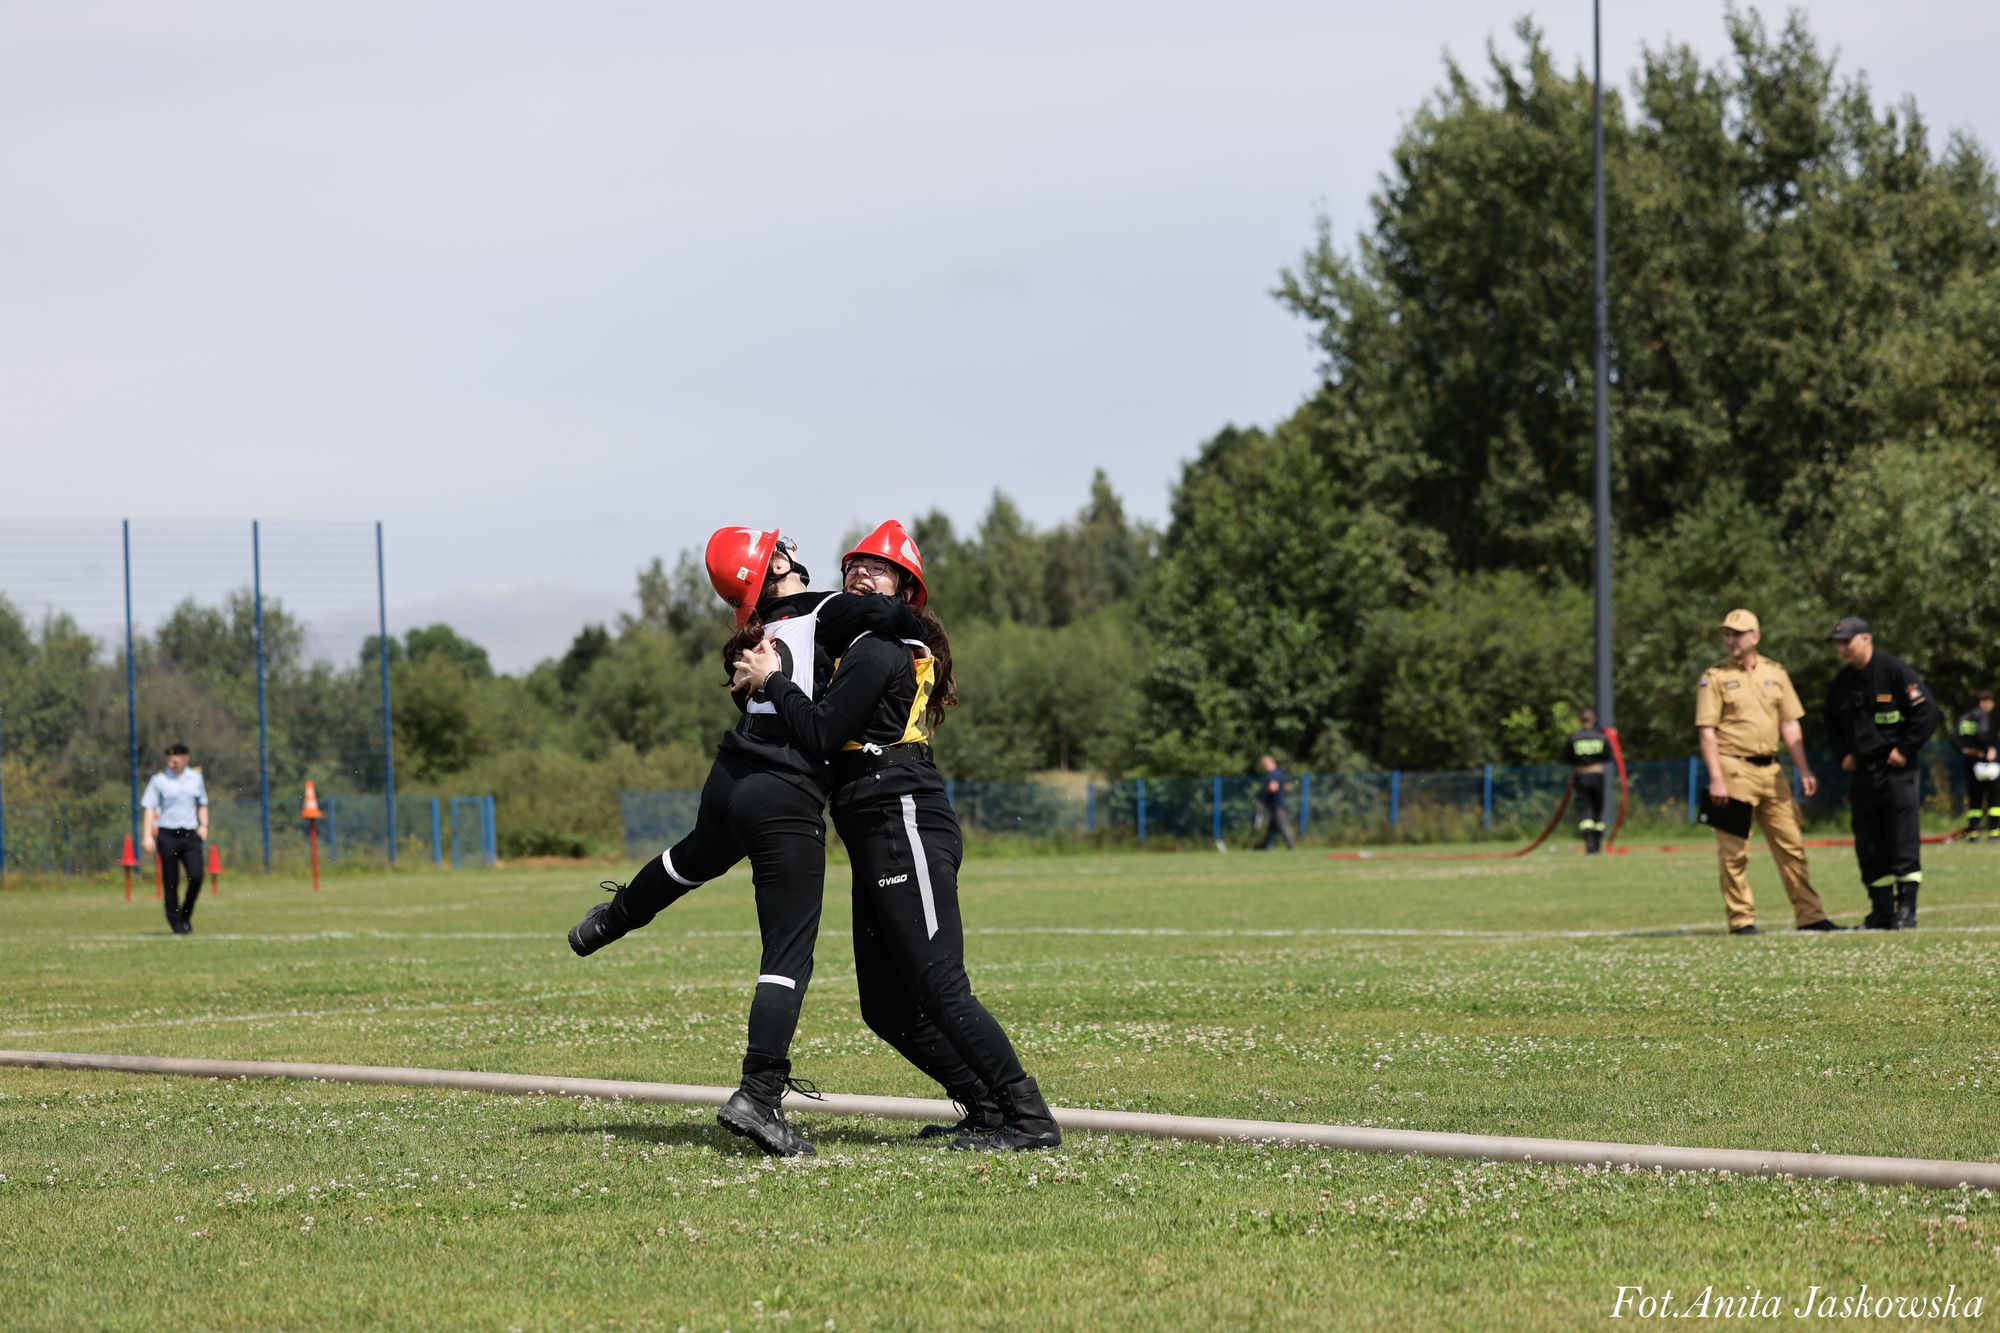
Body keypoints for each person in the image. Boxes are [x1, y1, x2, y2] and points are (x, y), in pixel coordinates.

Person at [565, 526, 921, 1158]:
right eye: (779, 549)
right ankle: (758, 1096)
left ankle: (610, 920)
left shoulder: (758, 627)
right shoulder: (823, 607)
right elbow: (894, 612)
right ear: (777, 565)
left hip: (729, 780)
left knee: (687, 861)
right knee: (787, 954)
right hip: (784, 794)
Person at [735, 519, 1060, 1153]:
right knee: (885, 1006)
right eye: (854, 566)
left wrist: (770, 680)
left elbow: (823, 733)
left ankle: (1028, 1117)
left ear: (906, 588)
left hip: (902, 813)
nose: (861, 573)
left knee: (939, 984)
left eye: (878, 569)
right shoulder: (860, 642)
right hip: (873, 822)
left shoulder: (879, 648)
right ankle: (988, 1108)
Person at [1694, 609, 1839, 935]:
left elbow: (1790, 723)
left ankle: (1810, 916)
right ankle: (1741, 919)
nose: (1731, 639)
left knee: (1792, 846)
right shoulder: (1713, 677)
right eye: (1727, 633)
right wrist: (1716, 777)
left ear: (1755, 637)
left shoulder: (1776, 672)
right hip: (1732, 770)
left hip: (1773, 772)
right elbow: (1707, 731)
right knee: (1734, 851)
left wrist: (1803, 768)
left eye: (1738, 633)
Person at [1824, 617, 1938, 930]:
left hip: (1897, 773)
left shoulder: (1894, 671)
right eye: (1838, 642)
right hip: (1863, 774)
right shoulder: (1842, 683)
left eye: (1847, 641)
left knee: (1902, 838)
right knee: (1869, 841)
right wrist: (1843, 754)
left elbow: (1927, 712)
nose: (1842, 648)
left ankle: (1906, 910)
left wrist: (1905, 748)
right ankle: (1882, 910)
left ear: (1866, 639)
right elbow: (1831, 725)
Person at [140, 744, 208, 935]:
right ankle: (176, 924)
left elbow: (202, 803)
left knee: (196, 876)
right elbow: (149, 807)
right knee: (170, 882)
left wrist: (203, 825)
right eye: (169, 759)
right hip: (167, 835)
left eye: (175, 758)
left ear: (185, 759)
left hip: (190, 834)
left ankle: (185, 916)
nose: (171, 762)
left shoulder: (196, 778)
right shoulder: (159, 780)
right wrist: (147, 836)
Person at [1564, 709, 1611, 854]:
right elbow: (1608, 756)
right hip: (1597, 775)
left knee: (1585, 811)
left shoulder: (1574, 738)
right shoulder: (1601, 737)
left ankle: (1589, 845)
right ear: (1593, 720)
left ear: (1580, 721)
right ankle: (1597, 845)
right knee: (1597, 810)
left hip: (1581, 776)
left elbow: (1568, 757)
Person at [1955, 689, 1998, 842]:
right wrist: (1989, 749)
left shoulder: (1964, 718)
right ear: (1983, 702)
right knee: (1994, 797)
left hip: (1969, 762)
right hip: (1984, 762)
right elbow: (1983, 733)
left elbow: (1953, 737)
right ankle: (1994, 832)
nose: (1992, 705)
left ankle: (1973, 832)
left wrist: (1964, 750)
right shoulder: (1982, 715)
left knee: (1974, 798)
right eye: (1991, 701)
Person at [1255, 755, 1296, 850]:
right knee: (1272, 826)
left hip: (1276, 804)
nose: (1264, 767)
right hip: (1279, 802)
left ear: (1269, 764)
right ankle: (1268, 845)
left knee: (1282, 824)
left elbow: (1273, 787)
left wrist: (1264, 792)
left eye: (1264, 765)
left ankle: (1291, 845)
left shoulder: (1272, 774)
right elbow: (1288, 788)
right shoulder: (1281, 773)